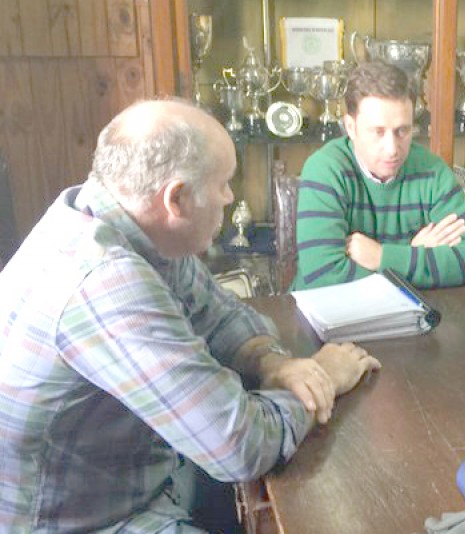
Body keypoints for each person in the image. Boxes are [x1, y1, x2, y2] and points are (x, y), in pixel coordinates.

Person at [0, 99, 381, 532]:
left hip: (142, 475)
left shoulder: (126, 222)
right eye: (224, 184)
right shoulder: (107, 281)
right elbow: (238, 445)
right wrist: (323, 378)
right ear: (177, 198)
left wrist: (272, 362)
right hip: (92, 521)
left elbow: (219, 314)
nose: (231, 197)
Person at [292, 61, 465, 290]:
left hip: (411, 310)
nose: (392, 149)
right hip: (327, 311)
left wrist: (381, 256)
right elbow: (324, 277)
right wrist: (411, 256)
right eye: (378, 132)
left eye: (402, 131)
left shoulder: (432, 171)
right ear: (350, 127)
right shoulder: (325, 170)